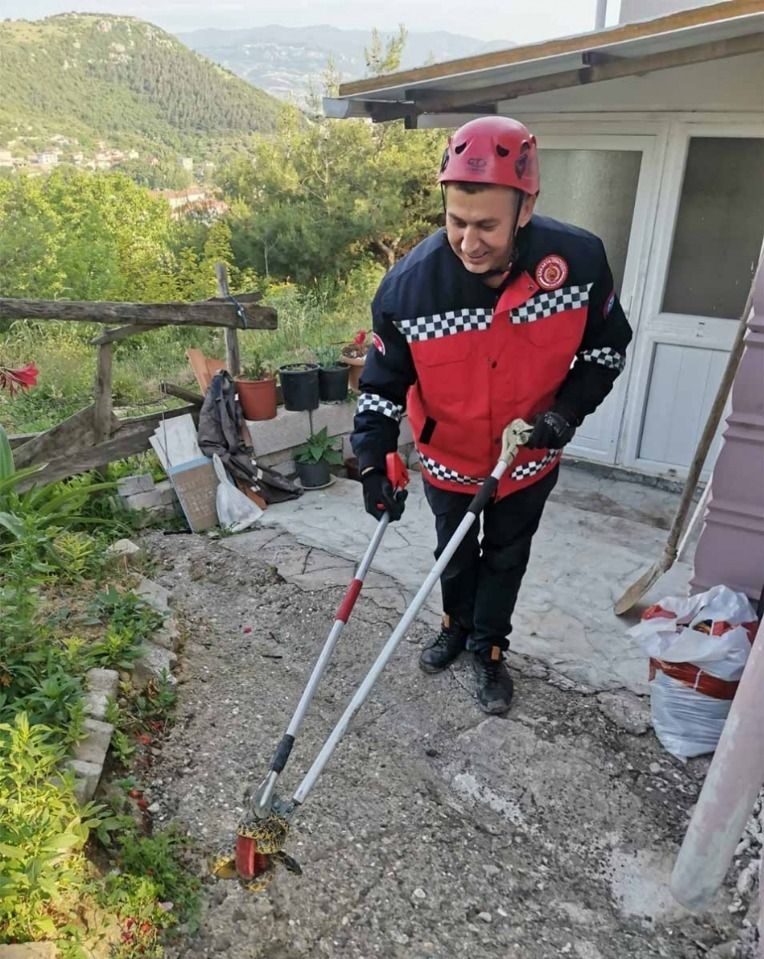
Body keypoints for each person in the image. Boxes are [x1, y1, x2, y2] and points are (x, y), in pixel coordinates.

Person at [350, 116, 632, 715]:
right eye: (456, 221)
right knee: (454, 553)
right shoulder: (408, 289)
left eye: (487, 226)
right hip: (449, 459)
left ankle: (490, 648)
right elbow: (380, 386)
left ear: (525, 209)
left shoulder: (578, 264)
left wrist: (566, 412)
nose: (469, 241)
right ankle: (455, 624)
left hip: (526, 460)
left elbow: (606, 349)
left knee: (507, 554)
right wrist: (374, 463)